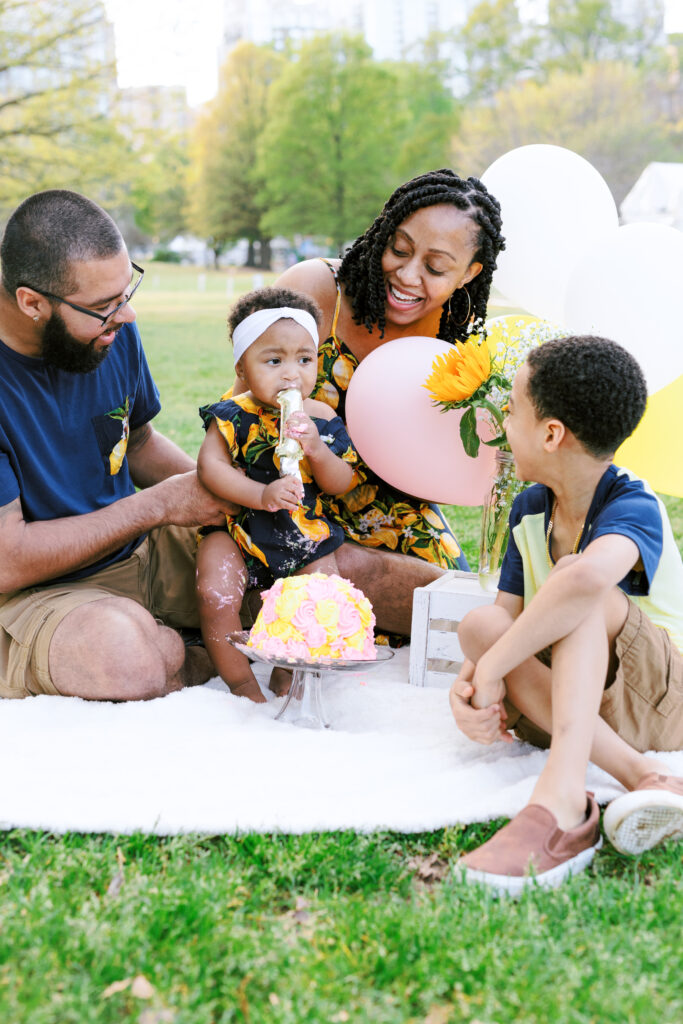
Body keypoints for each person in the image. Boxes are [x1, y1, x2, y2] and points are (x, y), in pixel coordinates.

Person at [449, 336, 683, 895]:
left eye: (510, 412)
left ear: (551, 434)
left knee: (582, 585)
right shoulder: (530, 507)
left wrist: (491, 671)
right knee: (479, 625)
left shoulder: (633, 502)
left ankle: (562, 803)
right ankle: (641, 777)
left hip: (654, 700)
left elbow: (583, 584)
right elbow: (501, 622)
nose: (503, 424)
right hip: (570, 698)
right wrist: (473, 685)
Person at [244, 168, 506, 637]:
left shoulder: (453, 339)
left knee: (454, 610)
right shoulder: (319, 289)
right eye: (399, 249)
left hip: (390, 505)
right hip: (288, 489)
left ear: (469, 274)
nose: (406, 275)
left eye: (436, 267)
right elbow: (244, 399)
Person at [0, 189, 231, 702]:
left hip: (139, 549)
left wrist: (220, 490)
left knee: (301, 567)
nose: (124, 316)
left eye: (127, 293)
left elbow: (138, 440)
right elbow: (8, 560)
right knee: (121, 658)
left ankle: (172, 649)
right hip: (32, 593)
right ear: (32, 302)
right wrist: (159, 505)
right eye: (105, 306)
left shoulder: (107, 326)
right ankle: (184, 652)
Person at [195, 286, 361, 702]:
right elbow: (209, 469)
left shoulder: (321, 417)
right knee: (214, 593)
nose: (291, 374)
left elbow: (342, 482)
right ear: (242, 367)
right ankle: (241, 686)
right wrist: (262, 494)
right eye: (273, 361)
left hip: (302, 531)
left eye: (304, 360)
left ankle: (289, 679)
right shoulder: (233, 414)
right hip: (237, 530)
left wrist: (318, 451)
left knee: (320, 595)